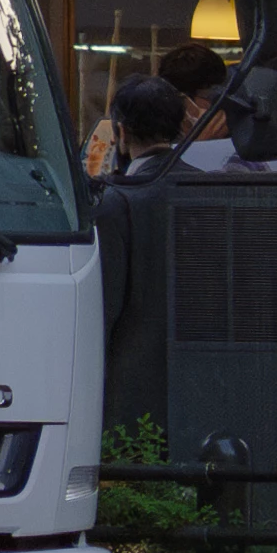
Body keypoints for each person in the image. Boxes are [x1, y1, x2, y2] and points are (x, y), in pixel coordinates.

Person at [90, 75, 190, 437]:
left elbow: (102, 310)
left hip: (129, 395)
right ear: (182, 126)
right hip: (206, 384)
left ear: (120, 131)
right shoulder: (211, 188)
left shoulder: (116, 201)